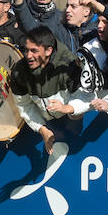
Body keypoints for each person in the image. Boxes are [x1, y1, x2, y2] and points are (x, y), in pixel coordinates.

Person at [10, 25, 82, 154]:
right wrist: (41, 129)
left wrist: (67, 108)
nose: (28, 56)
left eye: (34, 51)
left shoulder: (70, 66)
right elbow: (24, 105)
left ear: (48, 51)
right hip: (45, 122)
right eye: (26, 50)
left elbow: (85, 99)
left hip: (74, 120)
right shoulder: (19, 71)